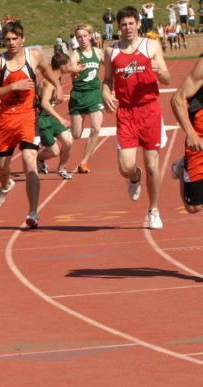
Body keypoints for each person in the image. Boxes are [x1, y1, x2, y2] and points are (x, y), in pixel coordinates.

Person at [0, 21, 63, 229]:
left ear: (22, 39)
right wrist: (12, 86)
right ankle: (6, 184)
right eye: (7, 39)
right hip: (6, 119)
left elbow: (47, 71)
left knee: (30, 163)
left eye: (14, 39)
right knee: (1, 168)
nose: (11, 43)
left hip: (28, 117)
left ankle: (33, 212)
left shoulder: (33, 56)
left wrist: (58, 87)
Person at [102, 5, 171, 229]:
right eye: (123, 24)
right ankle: (134, 177)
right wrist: (105, 92)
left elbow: (168, 79)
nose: (128, 27)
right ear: (118, 27)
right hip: (126, 113)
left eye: (131, 23)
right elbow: (107, 80)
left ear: (139, 24)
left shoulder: (150, 45)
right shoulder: (111, 51)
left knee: (153, 165)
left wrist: (160, 71)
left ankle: (154, 210)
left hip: (149, 110)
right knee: (125, 166)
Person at [68, 23, 104, 174]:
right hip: (79, 96)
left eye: (84, 36)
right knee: (76, 134)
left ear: (90, 36)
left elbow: (111, 67)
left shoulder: (99, 52)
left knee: (96, 129)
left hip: (95, 94)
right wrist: (73, 70)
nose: (82, 39)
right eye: (79, 37)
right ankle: (56, 137)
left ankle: (84, 162)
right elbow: (71, 70)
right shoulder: (75, 54)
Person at [36, 53, 74, 187]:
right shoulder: (50, 83)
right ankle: (38, 158)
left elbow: (70, 69)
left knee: (68, 141)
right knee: (54, 151)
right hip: (43, 119)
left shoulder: (56, 75)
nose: (69, 68)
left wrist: (78, 69)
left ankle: (61, 168)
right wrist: (61, 119)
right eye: (68, 65)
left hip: (51, 117)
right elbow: (44, 104)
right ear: (62, 66)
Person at [170, 57, 203, 213]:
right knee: (193, 207)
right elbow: (177, 99)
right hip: (199, 140)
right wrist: (191, 133)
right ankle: (182, 165)